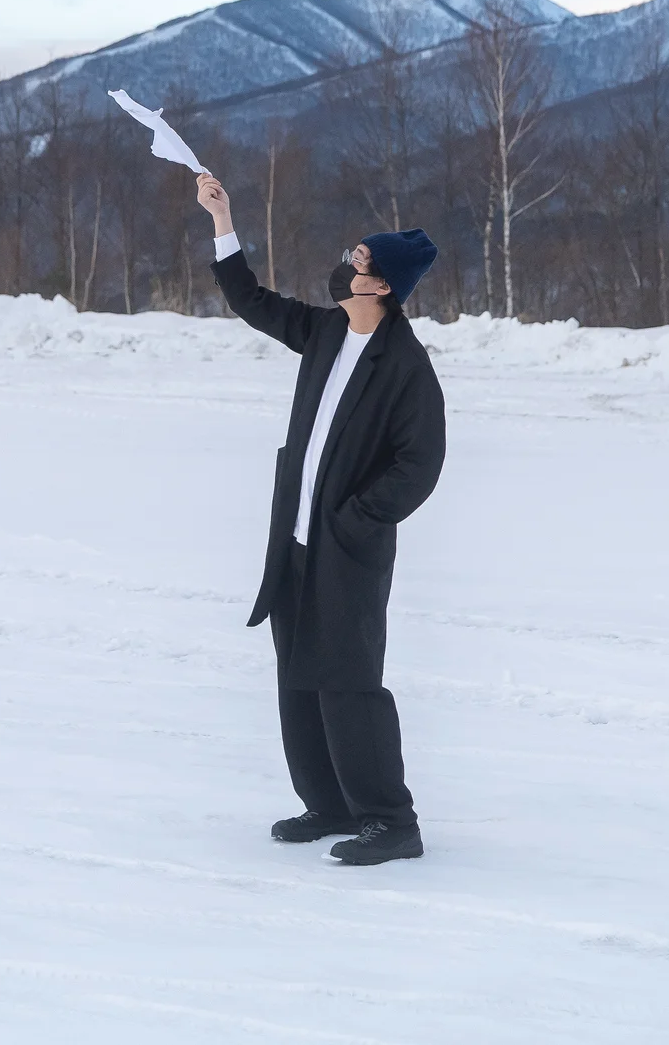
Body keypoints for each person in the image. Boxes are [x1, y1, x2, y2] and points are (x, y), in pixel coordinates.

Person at [196, 172, 446, 866]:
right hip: (296, 542)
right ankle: (329, 804)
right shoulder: (328, 331)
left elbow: (420, 463)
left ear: (383, 285)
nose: (345, 265)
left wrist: (357, 519)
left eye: (357, 261)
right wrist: (222, 220)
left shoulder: (405, 366)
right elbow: (251, 301)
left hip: (347, 549)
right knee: (297, 677)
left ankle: (391, 822)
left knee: (349, 684)